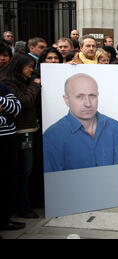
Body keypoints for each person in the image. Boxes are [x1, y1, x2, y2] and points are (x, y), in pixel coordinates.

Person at [43, 73, 118, 173]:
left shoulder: (115, 128)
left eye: (92, 96)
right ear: (66, 100)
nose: (88, 103)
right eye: (79, 96)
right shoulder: (52, 136)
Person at [1, 53, 41, 218]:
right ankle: (22, 207)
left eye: (33, 67)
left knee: (28, 170)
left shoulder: (24, 81)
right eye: (29, 67)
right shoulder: (9, 82)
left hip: (30, 129)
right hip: (19, 132)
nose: (31, 70)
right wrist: (34, 86)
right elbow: (24, 102)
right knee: (23, 170)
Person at [0, 81, 24, 231]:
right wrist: (7, 119)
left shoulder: (2, 87)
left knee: (8, 180)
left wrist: (1, 102)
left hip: (8, 140)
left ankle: (4, 220)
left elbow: (17, 107)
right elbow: (10, 115)